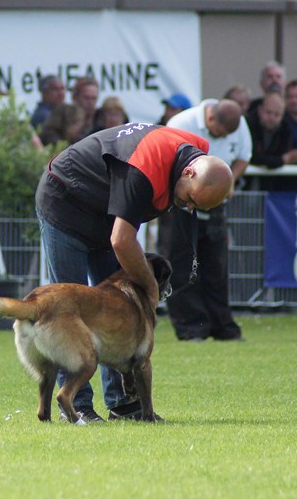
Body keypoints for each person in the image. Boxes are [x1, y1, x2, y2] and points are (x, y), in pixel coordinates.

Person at [35, 122, 233, 421]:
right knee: (69, 311)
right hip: (66, 203)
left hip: (104, 216)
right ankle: (77, 408)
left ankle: (123, 404)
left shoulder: (196, 152)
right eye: (191, 199)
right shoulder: (144, 167)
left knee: (118, 311)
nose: (188, 207)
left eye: (197, 207)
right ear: (189, 173)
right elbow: (121, 240)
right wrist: (151, 286)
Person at [163, 98, 249, 341]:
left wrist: (228, 182)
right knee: (180, 267)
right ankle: (191, 328)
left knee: (216, 268)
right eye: (218, 134)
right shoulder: (181, 123)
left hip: (215, 204)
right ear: (210, 118)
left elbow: (244, 155)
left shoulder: (238, 125)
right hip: (181, 203)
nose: (221, 139)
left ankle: (223, 327)